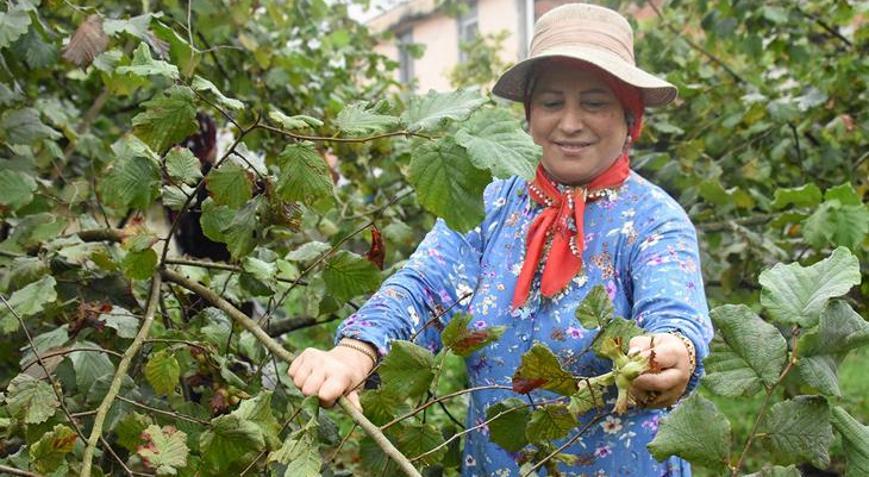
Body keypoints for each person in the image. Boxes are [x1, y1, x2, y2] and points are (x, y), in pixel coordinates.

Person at [289, 3, 713, 475]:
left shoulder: (654, 220)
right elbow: (425, 286)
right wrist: (358, 350)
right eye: (552, 103)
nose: (570, 123)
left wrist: (673, 351)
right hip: (497, 464)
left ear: (630, 117)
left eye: (595, 103)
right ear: (530, 115)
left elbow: (676, 317)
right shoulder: (491, 204)